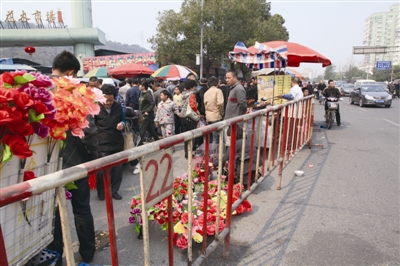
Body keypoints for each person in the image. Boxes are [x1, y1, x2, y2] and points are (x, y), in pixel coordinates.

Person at [47, 50, 98, 265]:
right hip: (75, 163)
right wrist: (94, 158)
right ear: (70, 72)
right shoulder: (76, 94)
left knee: (53, 213)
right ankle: (87, 255)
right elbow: (91, 132)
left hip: (46, 166)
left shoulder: (40, 91)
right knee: (81, 210)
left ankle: (56, 253)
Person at [95, 84, 125, 200]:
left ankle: (114, 191)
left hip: (117, 142)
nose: (108, 103)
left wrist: (122, 124)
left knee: (117, 170)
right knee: (101, 171)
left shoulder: (117, 106)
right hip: (102, 143)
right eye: (106, 100)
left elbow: (123, 119)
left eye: (111, 100)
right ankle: (101, 192)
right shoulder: (96, 107)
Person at [180, 79, 200, 159]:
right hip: (190, 117)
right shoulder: (192, 94)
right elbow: (192, 105)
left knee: (186, 137)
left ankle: (186, 153)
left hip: (183, 116)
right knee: (191, 136)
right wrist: (197, 111)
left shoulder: (183, 93)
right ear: (192, 87)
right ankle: (189, 153)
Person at [204, 76, 224, 144]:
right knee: (216, 136)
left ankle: (210, 152)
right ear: (217, 83)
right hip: (216, 115)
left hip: (208, 116)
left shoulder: (206, 92)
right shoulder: (218, 91)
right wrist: (221, 111)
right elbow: (220, 103)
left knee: (210, 137)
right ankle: (214, 153)